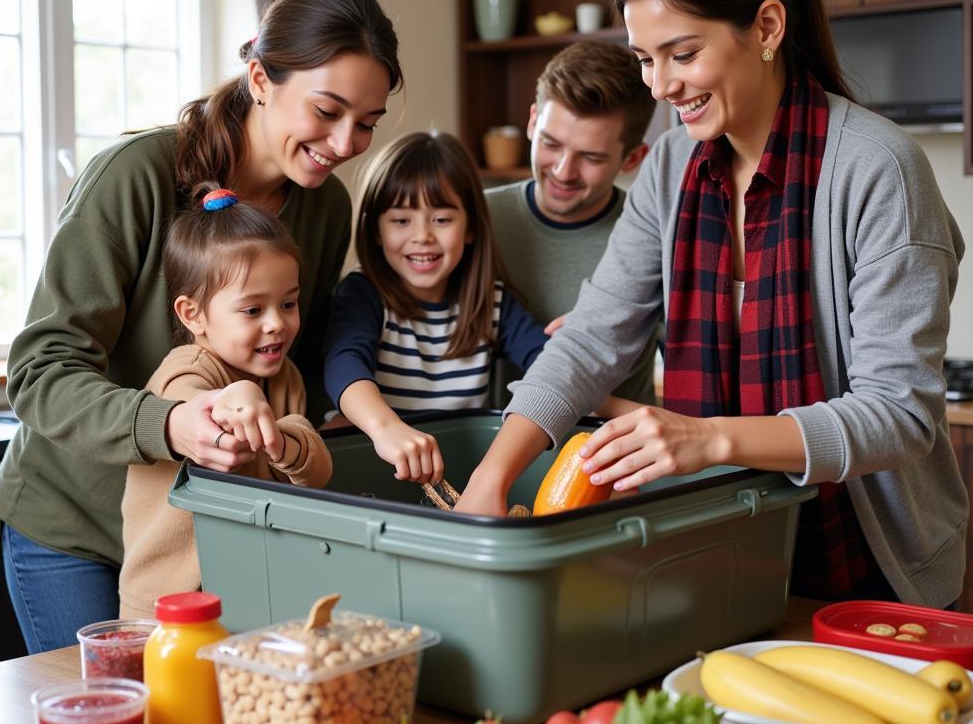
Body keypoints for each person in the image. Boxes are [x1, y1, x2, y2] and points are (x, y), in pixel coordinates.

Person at [456, 0, 967, 609]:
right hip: (715, 545)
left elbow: (898, 414)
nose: (660, 86)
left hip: (868, 567)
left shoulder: (878, 168)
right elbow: (592, 341)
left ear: (765, 28)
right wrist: (490, 478)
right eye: (645, 59)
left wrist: (709, 440)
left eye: (682, 53)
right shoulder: (671, 168)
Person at [0, 0, 402, 652]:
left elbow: (297, 356)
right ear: (261, 77)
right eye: (327, 111)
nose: (345, 142)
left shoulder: (323, 207)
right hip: (74, 526)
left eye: (367, 122)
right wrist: (172, 422)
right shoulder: (134, 177)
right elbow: (39, 373)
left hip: (211, 538)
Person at [119, 187, 332, 619]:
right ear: (193, 314)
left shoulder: (285, 376)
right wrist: (237, 395)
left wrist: (286, 442)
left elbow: (317, 472)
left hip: (251, 593)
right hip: (166, 607)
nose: (277, 324)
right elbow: (187, 402)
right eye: (253, 311)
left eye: (288, 303)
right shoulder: (187, 367)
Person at [323, 131, 549, 485]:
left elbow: (548, 364)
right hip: (375, 472)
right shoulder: (363, 293)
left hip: (459, 475)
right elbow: (343, 363)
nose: (422, 236)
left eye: (441, 220)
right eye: (401, 221)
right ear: (376, 230)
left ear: (471, 227)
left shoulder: (493, 303)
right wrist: (386, 428)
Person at [486, 40, 660, 407]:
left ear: (633, 158)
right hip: (485, 444)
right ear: (533, 121)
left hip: (611, 453)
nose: (564, 171)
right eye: (551, 144)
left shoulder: (657, 240)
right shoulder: (472, 219)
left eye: (591, 157)